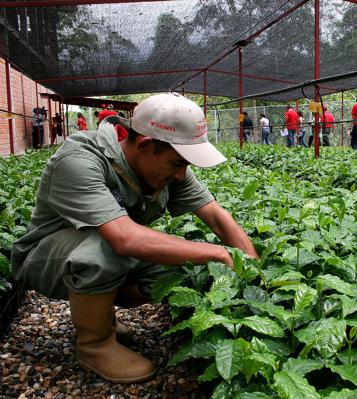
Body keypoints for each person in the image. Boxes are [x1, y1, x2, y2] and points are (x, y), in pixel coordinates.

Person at [11, 93, 259, 383]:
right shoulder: (80, 159)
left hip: (106, 250)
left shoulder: (168, 165)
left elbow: (217, 217)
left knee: (184, 269)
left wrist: (250, 264)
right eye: (177, 164)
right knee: (105, 249)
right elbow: (123, 239)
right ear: (145, 145)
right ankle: (95, 345)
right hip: (45, 258)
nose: (182, 175)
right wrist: (217, 253)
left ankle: (100, 314)